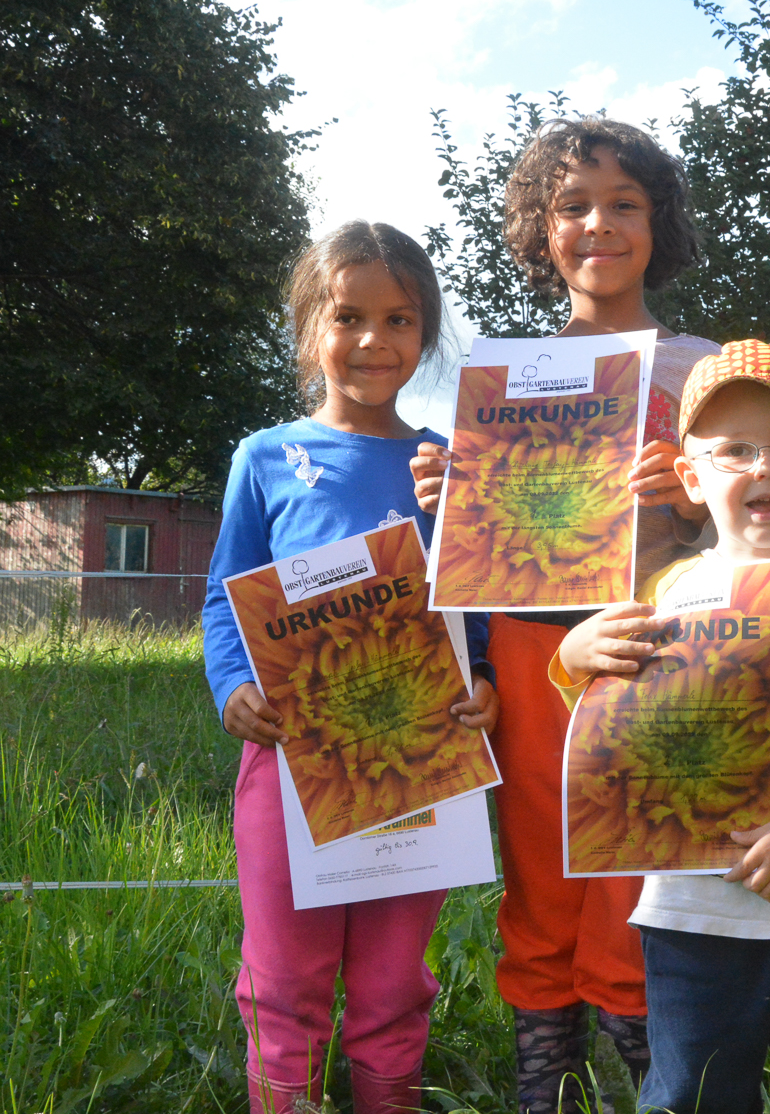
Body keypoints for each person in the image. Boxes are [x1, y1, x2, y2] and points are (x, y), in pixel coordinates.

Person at [411, 117, 719, 1111]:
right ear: (541, 230)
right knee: (539, 866)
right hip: (529, 644)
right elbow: (471, 551)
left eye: (624, 203)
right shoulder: (498, 379)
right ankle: (544, 1068)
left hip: (652, 645)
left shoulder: (705, 367)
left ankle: (646, 1057)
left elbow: (753, 523)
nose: (599, 224)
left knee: (636, 866)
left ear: (659, 220)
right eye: (573, 206)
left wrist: (690, 502)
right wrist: (447, 494)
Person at [552, 340, 770, 1114]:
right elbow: (612, 724)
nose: (765, 467)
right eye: (735, 450)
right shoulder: (666, 590)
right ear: (691, 477)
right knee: (692, 1091)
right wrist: (572, 657)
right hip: (690, 911)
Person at [203, 220, 498, 1114]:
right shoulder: (264, 457)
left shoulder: (451, 464)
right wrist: (232, 685)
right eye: (349, 317)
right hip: (289, 759)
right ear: (308, 327)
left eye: (400, 319)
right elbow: (225, 594)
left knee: (392, 981)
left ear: (427, 331)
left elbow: (477, 595)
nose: (375, 339)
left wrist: (483, 677)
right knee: (282, 979)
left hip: (420, 764)